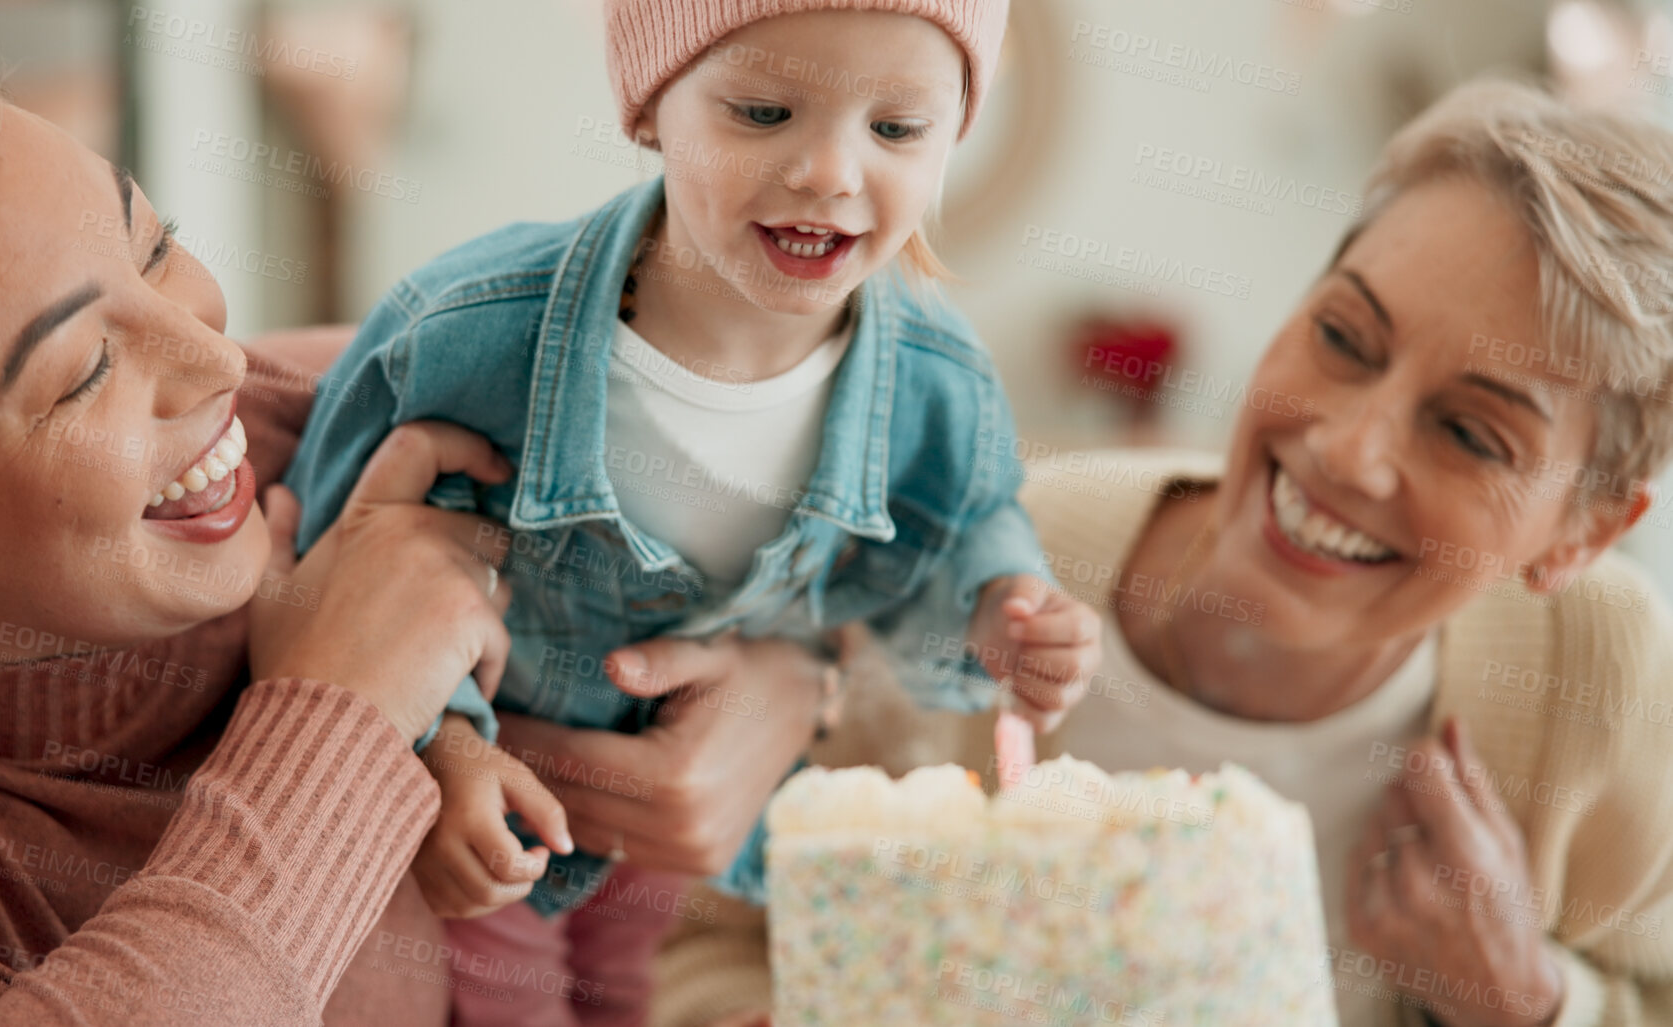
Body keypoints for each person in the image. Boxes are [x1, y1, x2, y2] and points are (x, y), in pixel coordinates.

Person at [0, 22, 845, 1026]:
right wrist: (342, 708)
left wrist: (782, 688)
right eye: (82, 373)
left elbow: (823, 458)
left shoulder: (351, 412)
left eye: (153, 245)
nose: (216, 357)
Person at [652, 80, 1673, 1027]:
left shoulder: (1599, 685)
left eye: (1470, 434)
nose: (1347, 450)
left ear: (1582, 531)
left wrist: (1530, 999)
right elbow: (696, 943)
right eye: (1345, 339)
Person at [281, 1, 1102, 1023]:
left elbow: (967, 524)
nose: (832, 174)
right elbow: (333, 561)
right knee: (507, 1001)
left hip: (678, 795)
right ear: (651, 112)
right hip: (492, 777)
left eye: (896, 130)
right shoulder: (470, 329)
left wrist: (1006, 609)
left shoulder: (938, 383)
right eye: (763, 112)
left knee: (631, 983)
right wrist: (439, 746)